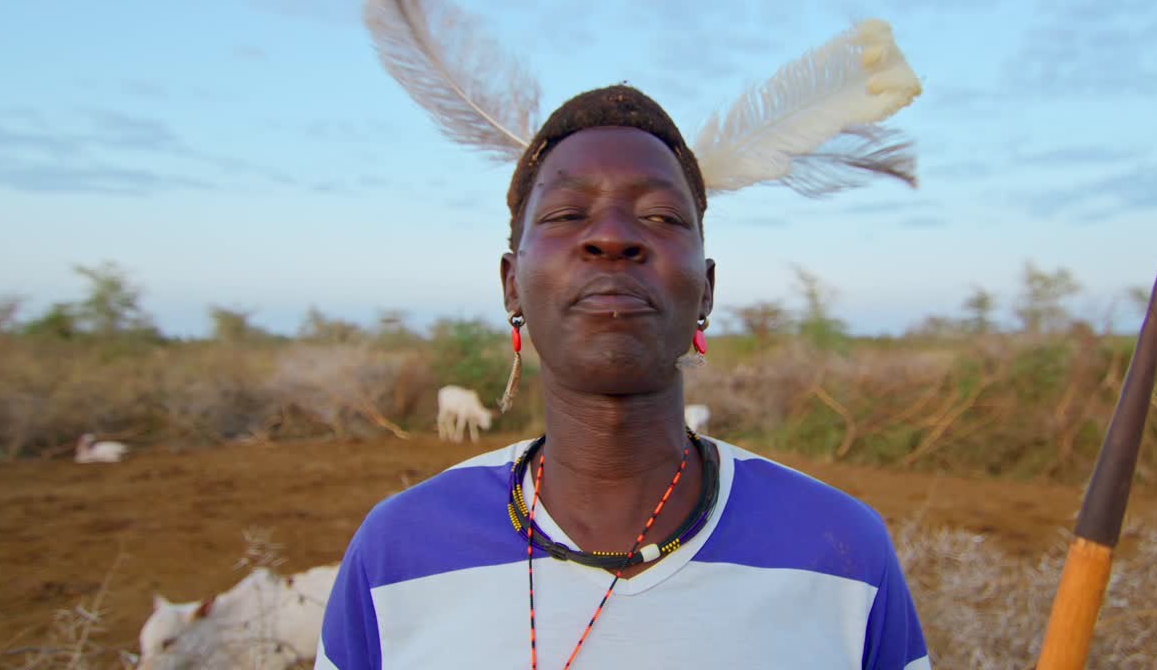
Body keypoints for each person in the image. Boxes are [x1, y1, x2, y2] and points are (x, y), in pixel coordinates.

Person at [314, 86, 931, 669]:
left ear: (706, 291)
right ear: (512, 284)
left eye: (661, 216)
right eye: (565, 213)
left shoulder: (843, 552)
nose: (611, 236)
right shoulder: (396, 554)